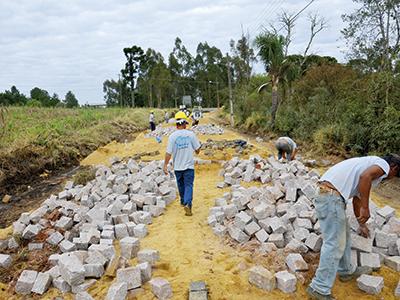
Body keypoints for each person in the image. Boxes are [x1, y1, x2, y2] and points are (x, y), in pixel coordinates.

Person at [307, 154, 400, 300]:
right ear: (394, 167)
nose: (392, 176)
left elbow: (357, 198)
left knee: (344, 236)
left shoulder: (369, 164)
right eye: (396, 174)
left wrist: (361, 224)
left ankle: (345, 271)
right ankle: (319, 287)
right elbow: (365, 177)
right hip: (331, 197)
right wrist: (366, 208)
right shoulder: (384, 165)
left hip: (329, 195)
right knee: (334, 243)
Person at [163, 111, 201, 216]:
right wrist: (197, 149)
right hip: (189, 166)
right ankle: (188, 204)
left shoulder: (172, 137)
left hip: (178, 167)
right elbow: (197, 149)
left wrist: (165, 165)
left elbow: (168, 153)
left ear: (176, 124)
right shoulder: (191, 135)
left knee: (180, 184)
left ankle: (183, 201)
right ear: (184, 123)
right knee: (188, 185)